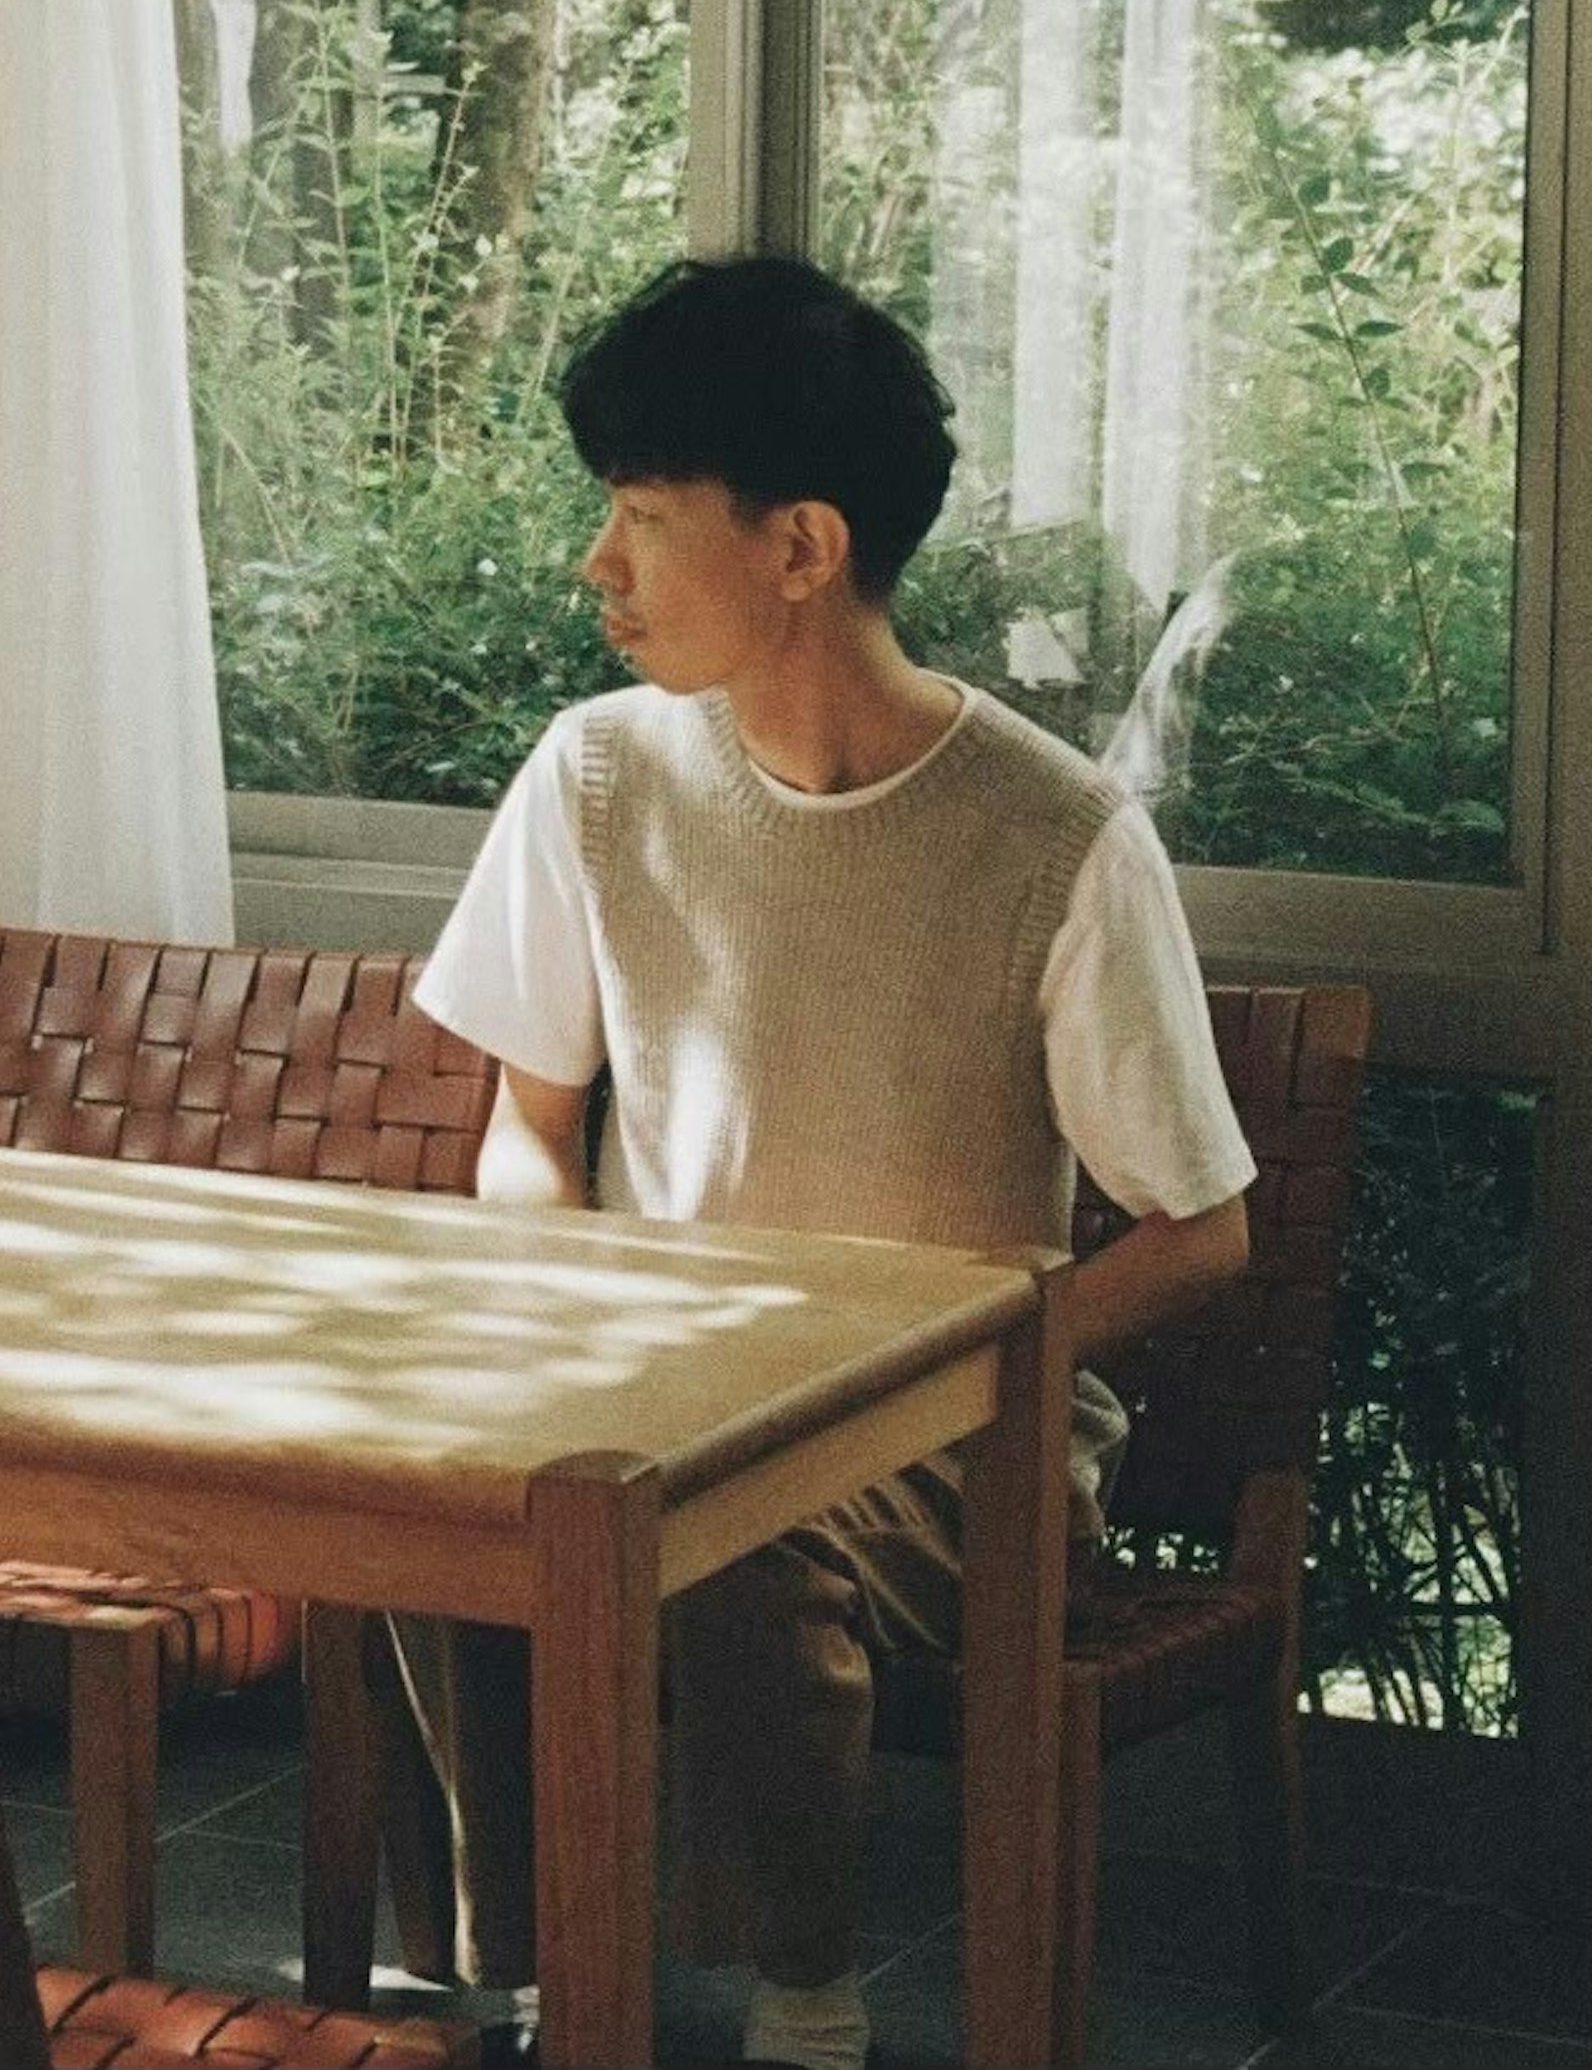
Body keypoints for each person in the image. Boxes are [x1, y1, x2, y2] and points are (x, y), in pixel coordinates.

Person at [399, 254, 1260, 2070]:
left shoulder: (1055, 837)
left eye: (640, 516)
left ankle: (802, 2000)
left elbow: (1200, 1231)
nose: (597, 564)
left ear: (801, 545)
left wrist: (965, 1373)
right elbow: (525, 1131)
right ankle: (537, 1976)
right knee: (435, 1481)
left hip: (946, 1441)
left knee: (729, 1533)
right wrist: (565, 1307)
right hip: (654, 1370)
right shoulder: (597, 777)